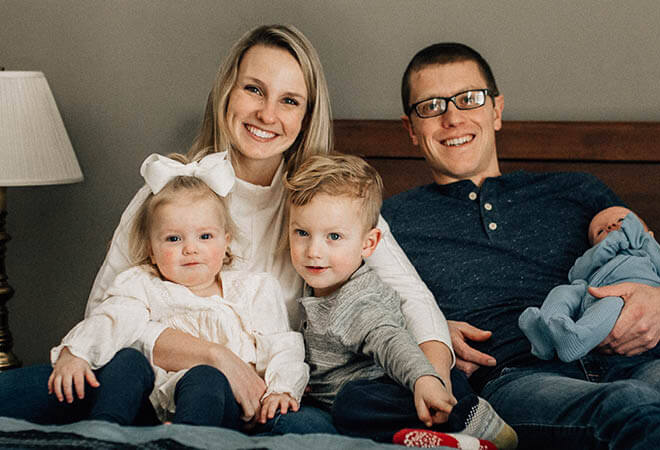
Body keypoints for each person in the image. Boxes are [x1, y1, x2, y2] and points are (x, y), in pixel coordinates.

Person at [0, 24, 453, 435]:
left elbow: (411, 297)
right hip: (149, 381)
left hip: (264, 399)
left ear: (306, 115)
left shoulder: (324, 201)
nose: (267, 113)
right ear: (227, 93)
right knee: (22, 391)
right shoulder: (171, 190)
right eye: (254, 90)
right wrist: (217, 356)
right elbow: (105, 314)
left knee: (304, 433)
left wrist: (430, 383)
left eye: (289, 100)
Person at [380, 41, 660, 448]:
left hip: (640, 361)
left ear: (496, 110)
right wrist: (425, 331)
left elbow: (658, 272)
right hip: (517, 378)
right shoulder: (387, 222)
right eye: (431, 106)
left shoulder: (577, 191)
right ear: (411, 130)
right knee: (628, 406)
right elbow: (353, 321)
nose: (452, 118)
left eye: (469, 98)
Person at [49, 152, 308, 429]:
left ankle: (184, 438)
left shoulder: (253, 289)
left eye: (205, 236)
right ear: (151, 250)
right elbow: (109, 321)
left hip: (222, 405)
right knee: (127, 361)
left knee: (205, 377)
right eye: (174, 239)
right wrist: (75, 353)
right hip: (151, 405)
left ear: (225, 243)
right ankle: (103, 430)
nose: (190, 248)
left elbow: (282, 346)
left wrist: (282, 389)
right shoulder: (142, 285)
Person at [284, 153, 517, 449]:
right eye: (302, 233)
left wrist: (423, 379)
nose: (313, 251)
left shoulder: (359, 301)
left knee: (351, 406)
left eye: (333, 237)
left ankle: (467, 418)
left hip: (393, 384)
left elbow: (391, 341)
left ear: (368, 243)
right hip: (386, 393)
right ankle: (440, 436)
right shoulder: (321, 281)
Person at [519, 207, 660, 362]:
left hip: (626, 299)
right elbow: (576, 274)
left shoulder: (650, 256)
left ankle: (576, 339)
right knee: (562, 291)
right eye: (600, 231)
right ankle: (545, 335)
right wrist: (608, 245)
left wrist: (646, 243)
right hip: (589, 291)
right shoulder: (596, 258)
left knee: (612, 303)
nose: (611, 227)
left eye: (621, 221)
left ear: (649, 233)